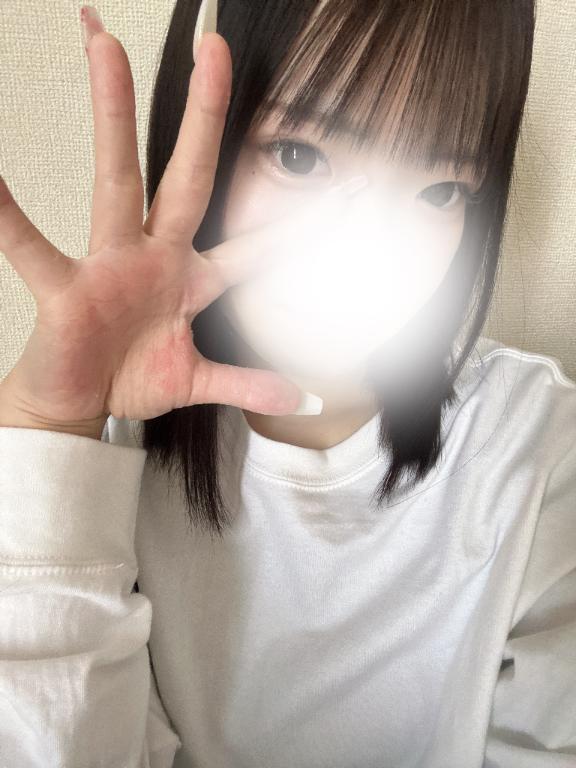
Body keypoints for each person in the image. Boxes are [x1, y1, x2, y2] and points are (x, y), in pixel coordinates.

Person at [0, 1, 574, 766]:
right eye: (300, 157)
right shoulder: (93, 469)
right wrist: (48, 430)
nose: (373, 250)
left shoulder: (542, 453)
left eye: (440, 190)